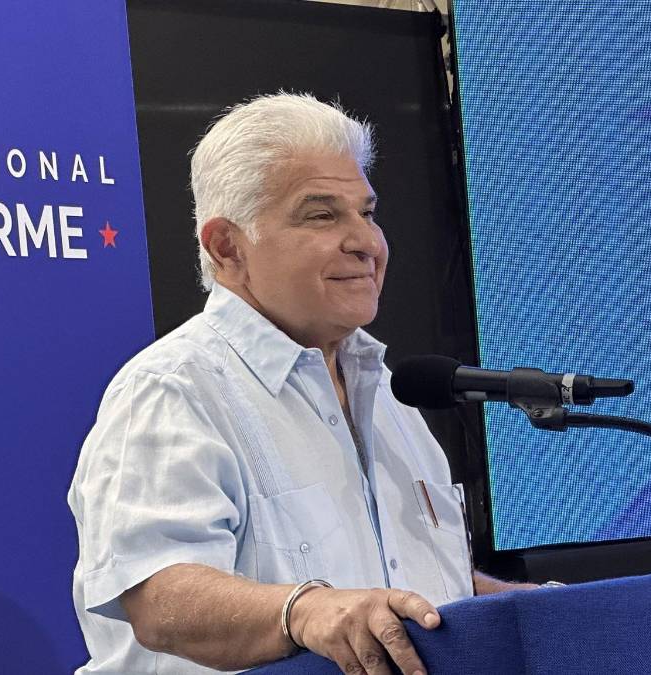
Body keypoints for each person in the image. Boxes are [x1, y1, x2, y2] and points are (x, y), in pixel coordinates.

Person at [68, 92, 531, 675]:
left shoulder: (387, 392)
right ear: (227, 247)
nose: (366, 242)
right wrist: (304, 611)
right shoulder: (172, 389)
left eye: (367, 213)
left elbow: (406, 585)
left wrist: (529, 610)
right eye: (322, 215)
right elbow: (158, 597)